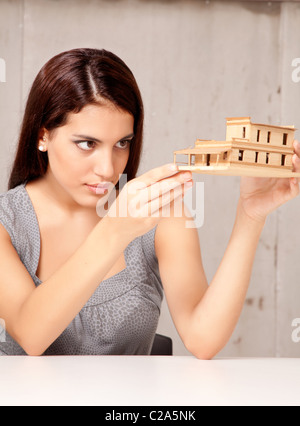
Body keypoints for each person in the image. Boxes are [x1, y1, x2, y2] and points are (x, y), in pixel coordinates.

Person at [0, 48, 299, 358]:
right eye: (87, 144)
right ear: (43, 136)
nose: (107, 168)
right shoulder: (6, 221)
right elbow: (31, 335)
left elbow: (203, 339)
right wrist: (114, 230)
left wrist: (250, 215)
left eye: (122, 143)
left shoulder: (158, 210)